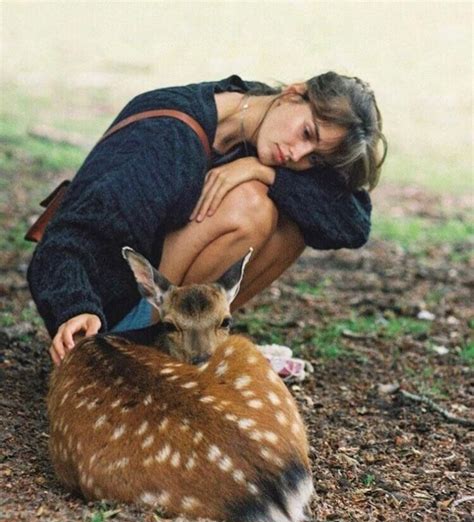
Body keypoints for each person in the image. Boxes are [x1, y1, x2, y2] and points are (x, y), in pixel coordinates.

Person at [27, 72, 387, 366]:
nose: (297, 154)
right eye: (307, 134)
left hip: (158, 297)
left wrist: (261, 171)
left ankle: (193, 347)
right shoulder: (167, 138)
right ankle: (151, 348)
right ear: (294, 93)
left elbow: (353, 223)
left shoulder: (263, 128)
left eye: (315, 158)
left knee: (297, 215)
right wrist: (75, 308)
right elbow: (68, 236)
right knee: (253, 206)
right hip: (104, 314)